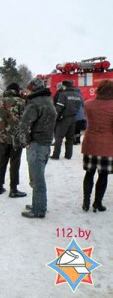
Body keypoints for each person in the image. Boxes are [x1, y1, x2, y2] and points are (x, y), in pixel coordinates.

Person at [16, 78, 57, 219]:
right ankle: (38, 203)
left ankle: (38, 209)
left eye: (28, 88)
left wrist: (25, 142)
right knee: (37, 176)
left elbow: (24, 125)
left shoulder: (34, 104)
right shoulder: (48, 101)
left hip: (36, 145)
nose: (26, 91)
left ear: (33, 89)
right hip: (45, 144)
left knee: (37, 178)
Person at [81, 79, 113, 212]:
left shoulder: (88, 104)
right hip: (107, 145)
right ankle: (97, 203)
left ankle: (86, 201)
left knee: (89, 173)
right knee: (103, 175)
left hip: (90, 143)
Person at [0, 82, 27, 197]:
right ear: (17, 90)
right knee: (15, 163)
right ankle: (13, 189)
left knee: (2, 161)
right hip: (16, 138)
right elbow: (25, 120)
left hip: (3, 137)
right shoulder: (21, 102)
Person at [50, 80, 83, 160]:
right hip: (74, 118)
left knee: (59, 137)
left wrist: (56, 117)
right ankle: (68, 155)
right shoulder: (78, 95)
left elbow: (59, 108)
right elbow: (81, 105)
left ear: (64, 86)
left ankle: (56, 155)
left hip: (64, 118)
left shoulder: (63, 94)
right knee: (70, 137)